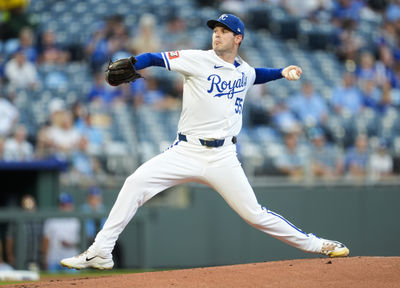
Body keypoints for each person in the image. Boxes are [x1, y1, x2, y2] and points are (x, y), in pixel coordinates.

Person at [61, 14, 349, 270]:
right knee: (135, 183)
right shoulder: (197, 59)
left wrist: (281, 73)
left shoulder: (243, 70)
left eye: (224, 30)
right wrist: (136, 62)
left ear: (238, 38)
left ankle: (317, 245)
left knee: (255, 214)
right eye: (215, 29)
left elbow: (255, 75)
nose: (217, 34)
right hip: (185, 150)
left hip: (223, 156)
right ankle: (101, 252)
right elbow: (155, 57)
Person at [42, 193, 80, 272]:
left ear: (71, 205)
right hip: (53, 260)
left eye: (67, 205)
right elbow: (46, 240)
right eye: (63, 205)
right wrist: (44, 258)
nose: (65, 207)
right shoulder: (51, 220)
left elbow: (81, 241)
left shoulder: (76, 220)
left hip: (71, 260)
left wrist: (70, 244)